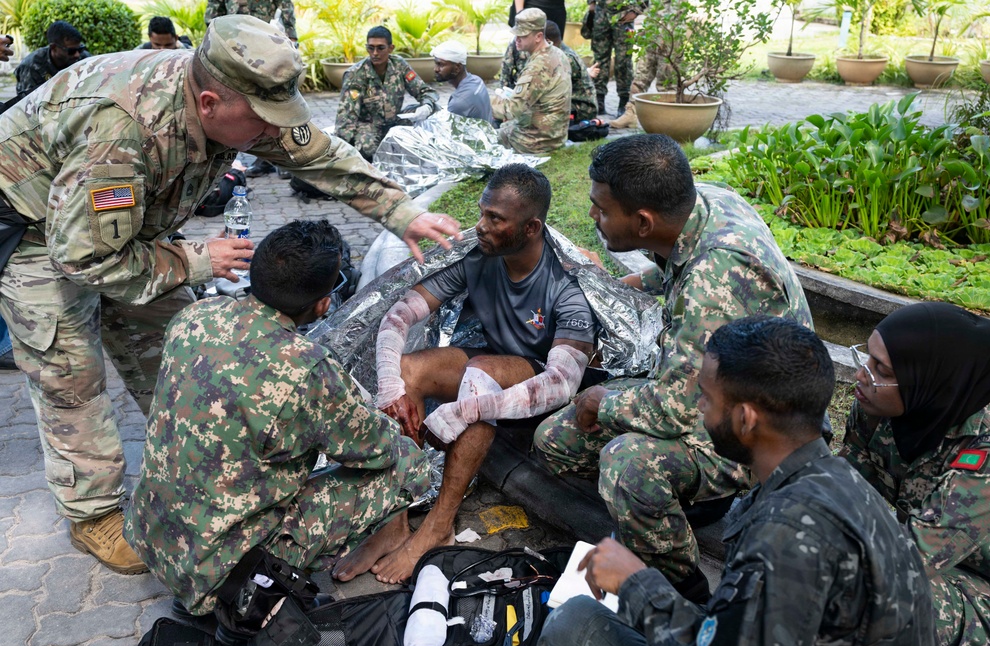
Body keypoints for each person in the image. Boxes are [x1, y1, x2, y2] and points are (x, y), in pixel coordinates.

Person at [0, 15, 459, 576]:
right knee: (69, 370)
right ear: (211, 103)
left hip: (123, 227)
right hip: (36, 230)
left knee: (170, 338)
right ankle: (91, 511)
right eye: (264, 122)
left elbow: (319, 154)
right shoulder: (117, 131)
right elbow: (85, 257)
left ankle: (187, 454)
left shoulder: (245, 104)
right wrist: (197, 259)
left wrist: (402, 212)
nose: (274, 133)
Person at [537, 317, 941, 646]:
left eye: (707, 399)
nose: (698, 409)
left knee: (575, 625)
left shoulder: (787, 536)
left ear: (746, 419)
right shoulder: (831, 480)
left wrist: (636, 583)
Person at [534, 134, 812, 601]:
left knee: (626, 463)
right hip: (719, 395)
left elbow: (678, 409)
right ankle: (678, 506)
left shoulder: (716, 273)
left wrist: (601, 402)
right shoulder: (708, 203)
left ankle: (683, 589)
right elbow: (675, 269)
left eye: (601, 209)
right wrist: (623, 283)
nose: (592, 218)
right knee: (554, 439)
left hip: (760, 433)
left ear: (643, 222)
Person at [125, 219, 432, 616]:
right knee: (407, 461)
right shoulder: (307, 368)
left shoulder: (196, 315)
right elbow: (375, 451)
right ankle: (261, 584)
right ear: (323, 302)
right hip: (217, 577)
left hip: (150, 535)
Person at [332, 164, 601, 585]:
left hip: (533, 390)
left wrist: (465, 411)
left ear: (530, 228)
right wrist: (389, 384)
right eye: (482, 212)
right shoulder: (478, 256)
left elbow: (562, 384)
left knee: (479, 372)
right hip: (487, 367)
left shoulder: (565, 286)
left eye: (495, 219)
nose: (481, 226)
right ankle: (394, 520)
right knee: (408, 369)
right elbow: (399, 315)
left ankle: (439, 525)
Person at [840, 302, 990, 646]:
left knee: (881, 596)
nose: (863, 375)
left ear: (927, 378)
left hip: (984, 593)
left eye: (882, 368)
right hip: (933, 565)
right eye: (867, 357)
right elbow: (844, 499)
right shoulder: (878, 409)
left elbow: (914, 559)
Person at [205, 0, 297, 178]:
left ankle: (277, 159)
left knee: (271, 102)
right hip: (231, 44)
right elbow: (214, 9)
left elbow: (285, 3)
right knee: (229, 102)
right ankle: (226, 159)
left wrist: (291, 35)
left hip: (261, 43)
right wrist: (213, 35)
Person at [336, 26, 440, 162]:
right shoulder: (355, 74)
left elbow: (425, 91)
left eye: (380, 48)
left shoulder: (399, 65)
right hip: (369, 126)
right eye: (370, 48)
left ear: (391, 48)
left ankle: (433, 154)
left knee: (434, 110)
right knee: (366, 148)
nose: (375, 53)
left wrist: (426, 105)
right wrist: (341, 149)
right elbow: (346, 116)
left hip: (394, 120)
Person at [491, 9, 571, 155]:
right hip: (554, 134)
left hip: (535, 141)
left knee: (481, 140)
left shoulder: (538, 67)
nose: (517, 39)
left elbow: (512, 110)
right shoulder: (556, 52)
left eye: (523, 35)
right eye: (516, 34)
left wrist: (485, 102)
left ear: (539, 36)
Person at [501, 21, 597, 122]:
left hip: (581, 107)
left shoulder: (563, 58)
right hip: (566, 102)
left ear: (545, 40)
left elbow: (537, 91)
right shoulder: (554, 54)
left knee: (528, 111)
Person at [589, 0, 639, 116]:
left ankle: (624, 102)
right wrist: (591, 4)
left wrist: (636, 10)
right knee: (600, 59)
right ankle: (599, 101)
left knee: (623, 60)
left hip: (624, 15)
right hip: (601, 13)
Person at [14, 21, 88, 97]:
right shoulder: (31, 66)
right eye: (71, 51)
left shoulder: (85, 59)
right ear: (54, 48)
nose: (77, 54)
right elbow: (26, 103)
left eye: (80, 49)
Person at [430, 40, 493, 123]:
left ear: (457, 68)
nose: (436, 69)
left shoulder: (458, 103)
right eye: (436, 64)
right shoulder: (477, 80)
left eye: (441, 64)